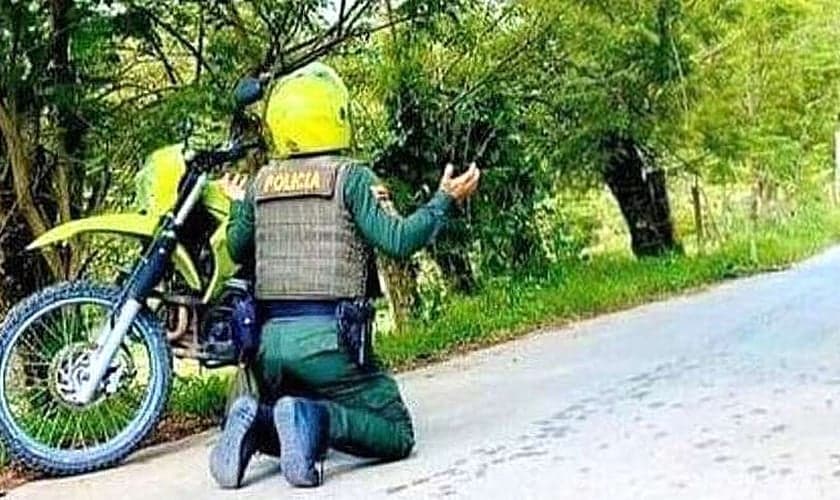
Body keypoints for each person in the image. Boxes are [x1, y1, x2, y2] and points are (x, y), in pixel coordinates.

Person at [209, 62, 480, 489]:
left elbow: (238, 247)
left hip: (268, 347)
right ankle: (315, 417)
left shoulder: (261, 182)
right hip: (328, 342)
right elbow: (399, 239)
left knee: (290, 413)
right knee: (395, 430)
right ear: (335, 114)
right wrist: (443, 201)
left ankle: (258, 423)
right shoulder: (350, 177)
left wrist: (240, 205)